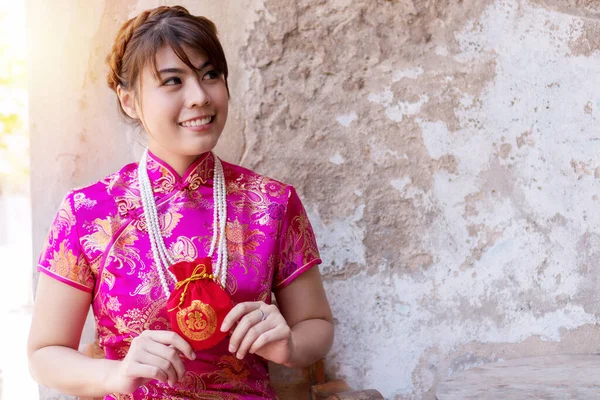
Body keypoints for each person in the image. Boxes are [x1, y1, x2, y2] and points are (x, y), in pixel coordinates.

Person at [27, 5, 334, 399]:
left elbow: (317, 324)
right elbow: (44, 353)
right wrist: (114, 375)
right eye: (173, 81)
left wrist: (290, 345)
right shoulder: (87, 212)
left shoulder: (271, 203)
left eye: (210, 75)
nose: (200, 97)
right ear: (129, 100)